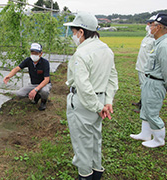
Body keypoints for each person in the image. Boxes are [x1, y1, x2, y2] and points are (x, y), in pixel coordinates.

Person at [64, 12, 118, 180]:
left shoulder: (82, 53)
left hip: (84, 103)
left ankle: (85, 175)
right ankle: (96, 172)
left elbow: (83, 86)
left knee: (82, 144)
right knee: (95, 139)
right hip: (100, 100)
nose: (73, 36)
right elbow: (112, 77)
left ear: (81, 32)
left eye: (73, 32)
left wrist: (97, 106)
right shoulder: (106, 50)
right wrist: (107, 102)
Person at [130, 13, 167, 148]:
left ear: (160, 27)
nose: (150, 27)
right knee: (145, 108)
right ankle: (145, 134)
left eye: (153, 25)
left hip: (157, 82)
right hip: (150, 80)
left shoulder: (164, 45)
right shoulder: (159, 42)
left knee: (152, 111)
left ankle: (158, 139)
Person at [3, 43, 52, 111]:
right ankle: (37, 96)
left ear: (41, 53)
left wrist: (35, 90)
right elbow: (17, 68)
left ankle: (43, 102)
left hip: (44, 84)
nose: (34, 55)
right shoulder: (28, 60)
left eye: (36, 53)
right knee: (19, 94)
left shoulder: (45, 63)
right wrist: (9, 76)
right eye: (32, 52)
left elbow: (46, 80)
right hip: (33, 84)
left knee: (45, 91)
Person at [132, 15, 156, 113]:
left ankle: (144, 107)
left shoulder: (155, 40)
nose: (147, 25)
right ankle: (141, 102)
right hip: (140, 67)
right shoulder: (147, 37)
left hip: (146, 69)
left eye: (150, 24)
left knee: (146, 88)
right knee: (143, 86)